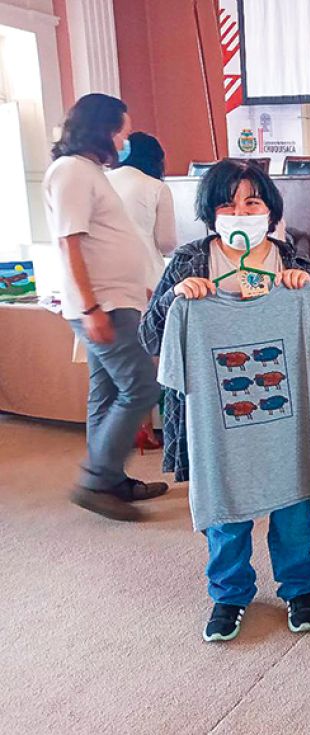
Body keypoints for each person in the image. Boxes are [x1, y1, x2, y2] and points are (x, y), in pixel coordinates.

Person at [139, 158, 310, 641]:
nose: (241, 212)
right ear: (210, 212)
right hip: (218, 426)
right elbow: (150, 337)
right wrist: (173, 300)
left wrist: (305, 293)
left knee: (293, 510)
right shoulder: (189, 261)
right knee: (225, 513)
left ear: (270, 209)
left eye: (252, 202)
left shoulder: (292, 263)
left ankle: (299, 588)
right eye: (227, 204)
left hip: (286, 423)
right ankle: (229, 595)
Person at [43, 93, 167, 522]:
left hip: (117, 300)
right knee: (142, 387)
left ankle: (110, 480)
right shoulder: (71, 172)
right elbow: (70, 243)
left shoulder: (89, 172)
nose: (123, 141)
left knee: (108, 391)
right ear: (102, 129)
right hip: (103, 305)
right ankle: (96, 480)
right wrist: (91, 307)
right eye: (121, 132)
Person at [107, 131, 178, 295]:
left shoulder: (102, 180)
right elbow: (166, 243)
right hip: (146, 278)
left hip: (105, 276)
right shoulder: (157, 187)